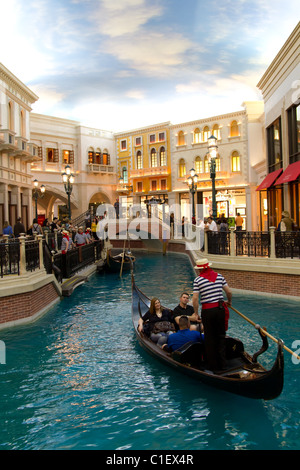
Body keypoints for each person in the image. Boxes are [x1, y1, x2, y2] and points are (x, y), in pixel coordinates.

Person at [192, 258, 232, 372]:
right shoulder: (219, 276)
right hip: (220, 310)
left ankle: (214, 367)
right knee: (221, 337)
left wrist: (195, 313)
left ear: (200, 270)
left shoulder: (198, 280)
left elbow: (195, 299)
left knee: (210, 339)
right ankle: (223, 366)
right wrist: (229, 302)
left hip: (208, 312)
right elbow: (229, 292)